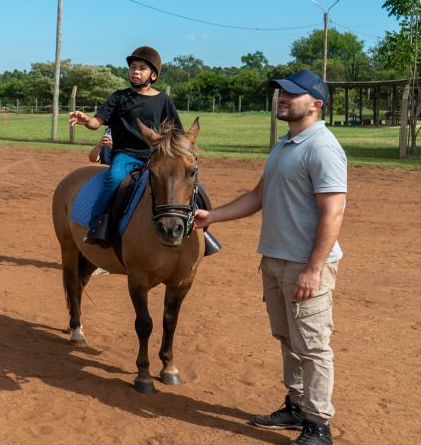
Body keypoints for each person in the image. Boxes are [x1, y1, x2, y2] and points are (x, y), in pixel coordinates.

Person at [193, 70, 345, 445]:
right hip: (275, 258)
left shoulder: (322, 147)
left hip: (305, 264)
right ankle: (296, 405)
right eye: (281, 92)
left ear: (315, 103)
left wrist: (313, 268)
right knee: (288, 337)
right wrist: (213, 216)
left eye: (292, 94)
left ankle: (318, 425)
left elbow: (333, 213)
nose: (282, 98)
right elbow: (257, 196)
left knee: (312, 345)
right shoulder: (283, 146)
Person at [69, 45, 182, 244]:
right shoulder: (119, 97)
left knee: (187, 181)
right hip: (126, 155)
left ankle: (198, 228)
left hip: (155, 157)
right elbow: (97, 122)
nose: (136, 71)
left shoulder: (163, 101)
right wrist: (86, 120)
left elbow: (177, 134)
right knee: (114, 178)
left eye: (142, 68)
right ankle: (98, 225)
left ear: (153, 76)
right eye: (133, 67)